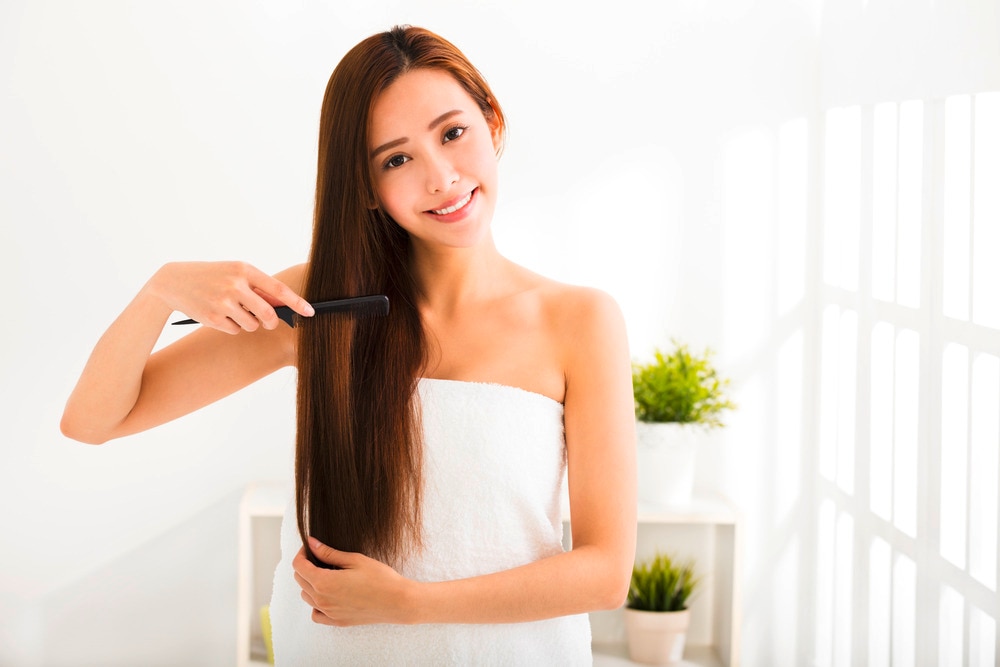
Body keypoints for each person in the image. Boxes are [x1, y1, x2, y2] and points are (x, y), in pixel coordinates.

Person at [62, 25, 636, 665]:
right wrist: (160, 291)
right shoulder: (316, 307)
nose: (442, 177)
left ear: (491, 121)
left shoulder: (581, 320)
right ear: (365, 186)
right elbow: (93, 420)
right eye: (397, 159)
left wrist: (410, 603)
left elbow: (606, 573)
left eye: (452, 133)